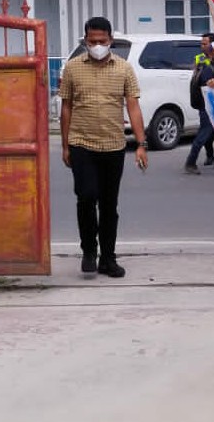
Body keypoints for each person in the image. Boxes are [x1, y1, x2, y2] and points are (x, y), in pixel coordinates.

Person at [59, 16, 148, 279]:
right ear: (85, 40)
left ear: (111, 41)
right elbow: (66, 107)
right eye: (92, 41)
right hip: (81, 143)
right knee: (86, 197)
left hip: (113, 145)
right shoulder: (73, 68)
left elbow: (133, 106)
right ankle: (88, 250)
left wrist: (141, 144)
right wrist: (65, 145)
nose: (97, 45)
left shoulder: (124, 69)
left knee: (109, 205)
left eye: (102, 41)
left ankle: (108, 258)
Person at [185, 33, 214, 174]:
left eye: (205, 43)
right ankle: (193, 161)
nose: (202, 46)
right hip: (206, 102)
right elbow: (199, 78)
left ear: (213, 44)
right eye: (201, 43)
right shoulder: (200, 59)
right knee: (205, 134)